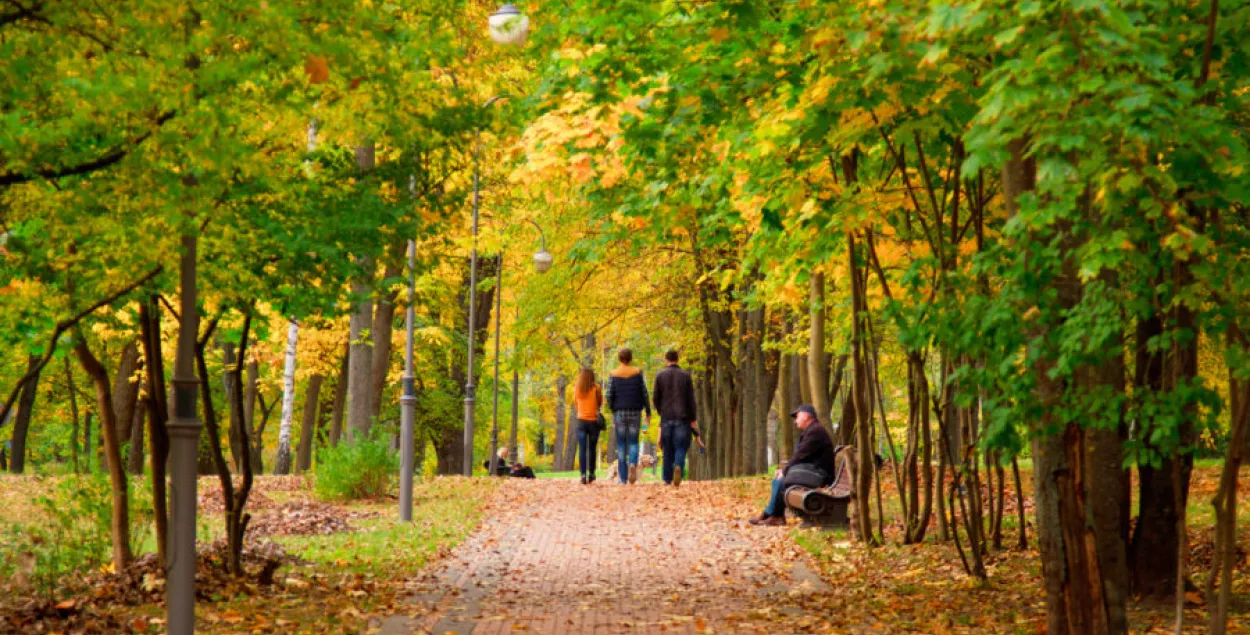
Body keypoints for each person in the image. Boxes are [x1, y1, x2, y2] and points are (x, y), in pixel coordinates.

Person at [749, 404, 836, 526]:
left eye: (797, 417)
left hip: (820, 475)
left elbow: (800, 455)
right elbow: (801, 456)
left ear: (806, 416)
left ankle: (772, 515)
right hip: (812, 471)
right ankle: (774, 515)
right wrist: (784, 470)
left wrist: (785, 471)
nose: (795, 421)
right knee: (778, 480)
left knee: (782, 480)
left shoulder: (815, 432)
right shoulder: (811, 430)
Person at [652, 349, 698, 487]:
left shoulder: (660, 376)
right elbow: (691, 399)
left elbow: (655, 398)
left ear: (666, 360)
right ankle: (678, 467)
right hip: (683, 418)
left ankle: (667, 478)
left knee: (667, 448)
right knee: (680, 447)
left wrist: (661, 411)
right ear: (677, 359)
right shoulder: (685, 376)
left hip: (666, 417)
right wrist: (693, 418)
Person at [605, 348, 651, 484]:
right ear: (630, 358)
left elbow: (608, 395)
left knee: (620, 443)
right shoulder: (637, 373)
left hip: (620, 413)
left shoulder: (613, 374)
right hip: (635, 412)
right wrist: (648, 410)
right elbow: (644, 393)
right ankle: (632, 463)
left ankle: (622, 478)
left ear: (619, 359)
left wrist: (613, 408)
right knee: (633, 441)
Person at [573, 367, 603, 485]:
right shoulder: (596, 388)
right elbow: (600, 402)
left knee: (582, 449)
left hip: (581, 420)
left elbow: (575, 403)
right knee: (592, 448)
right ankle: (592, 473)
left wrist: (582, 410)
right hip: (593, 421)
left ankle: (582, 475)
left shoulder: (577, 389)